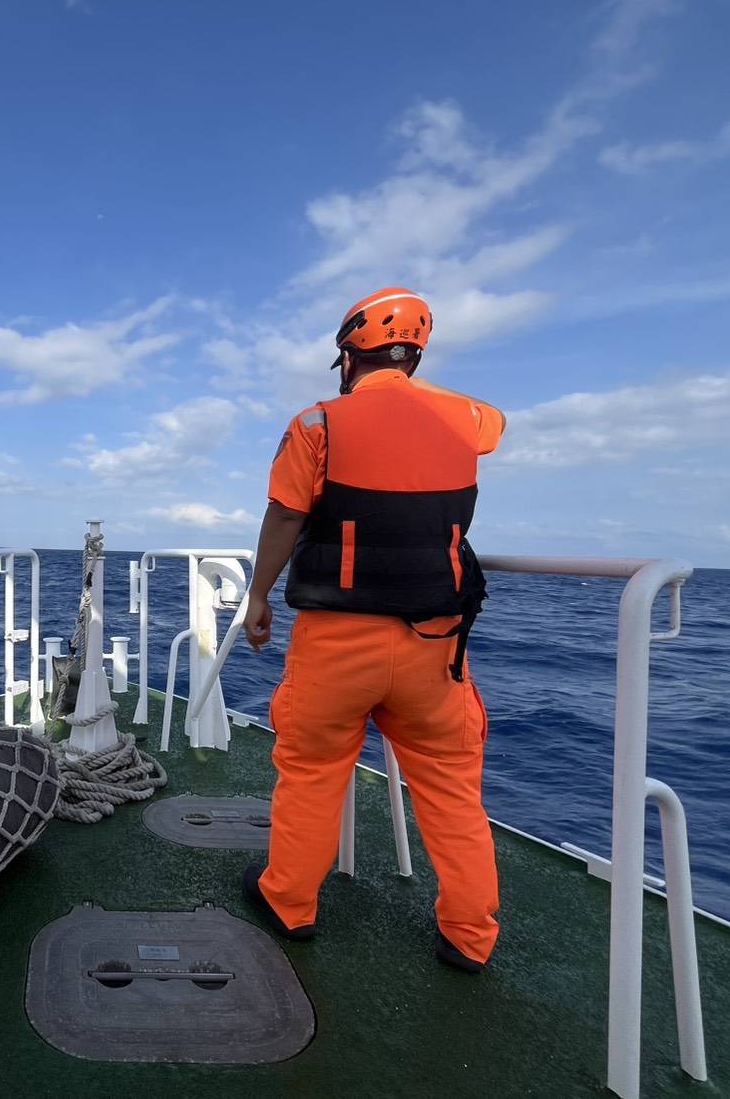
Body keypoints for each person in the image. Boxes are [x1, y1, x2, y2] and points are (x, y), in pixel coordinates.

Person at [239, 288, 506, 973]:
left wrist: (259, 595)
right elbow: (492, 426)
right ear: (414, 354)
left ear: (347, 355)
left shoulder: (316, 424)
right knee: (450, 788)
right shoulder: (469, 418)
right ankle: (469, 936)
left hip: (337, 641)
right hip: (433, 644)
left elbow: (285, 516)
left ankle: (290, 904)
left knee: (311, 772)